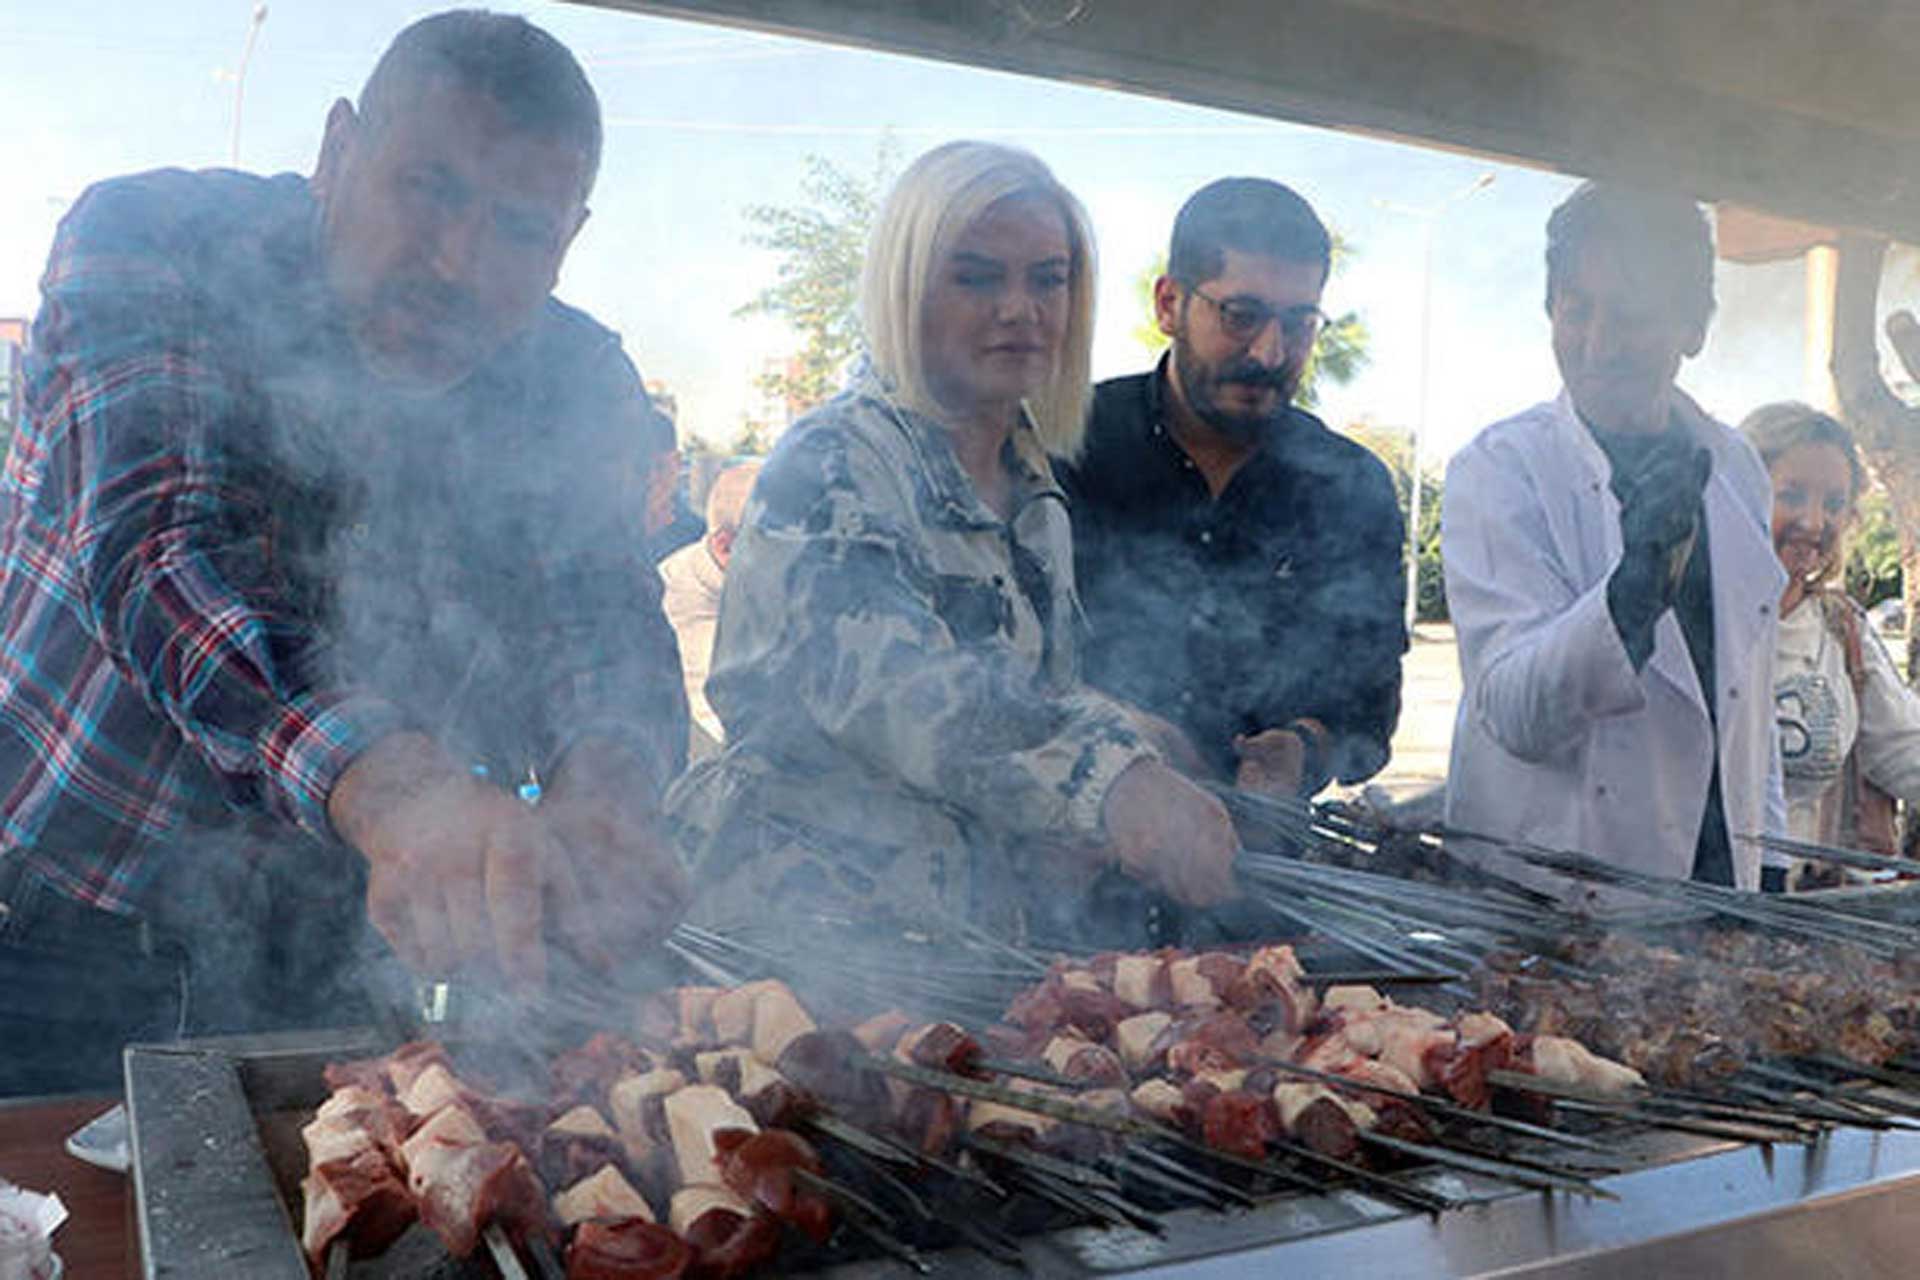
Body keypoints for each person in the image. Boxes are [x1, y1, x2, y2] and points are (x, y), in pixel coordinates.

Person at [0, 10, 688, 1093]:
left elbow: (599, 616)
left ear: (573, 235)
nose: (457, 265)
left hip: (339, 955)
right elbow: (158, 547)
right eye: (430, 190)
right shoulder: (155, 238)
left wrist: (608, 787)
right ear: (336, 151)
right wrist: (406, 792)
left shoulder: (574, 374)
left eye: (520, 230)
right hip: (65, 935)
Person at [666, 141, 1240, 941]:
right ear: (907, 291)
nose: (1020, 308)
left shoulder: (1033, 486)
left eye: (1048, 278)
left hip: (967, 946)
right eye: (975, 277)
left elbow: (1010, 681)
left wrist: (1122, 730)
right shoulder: (832, 460)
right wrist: (1108, 777)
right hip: (798, 939)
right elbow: (898, 685)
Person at [1442, 182, 1785, 899]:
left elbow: (1746, 690)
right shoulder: (1501, 470)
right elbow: (1511, 709)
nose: (1598, 345)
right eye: (1577, 310)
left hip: (1716, 884)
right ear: (1551, 311)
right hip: (1551, 900)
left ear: (1692, 328)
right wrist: (1632, 596)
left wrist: (1771, 863)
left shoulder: (1735, 467)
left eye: (1630, 317)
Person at [1060, 178, 1405, 799]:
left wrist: (1303, 749)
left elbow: (1371, 704)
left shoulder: (1352, 485)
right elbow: (993, 657)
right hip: (1067, 857)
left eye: (1300, 324)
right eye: (1240, 316)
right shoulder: (1065, 445)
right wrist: (1114, 737)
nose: (1271, 353)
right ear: (1168, 305)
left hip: (1261, 864)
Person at [1743, 403, 1920, 877]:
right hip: (1685, 919)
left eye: (1834, 504)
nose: (1814, 522)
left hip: (1804, 918)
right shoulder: (1684, 620)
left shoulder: (1840, 629)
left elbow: (1908, 751)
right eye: (1792, 496)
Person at [659, 461, 762, 755]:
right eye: (776, 547)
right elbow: (721, 733)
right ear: (725, 546)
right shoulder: (680, 600)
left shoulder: (750, 585)